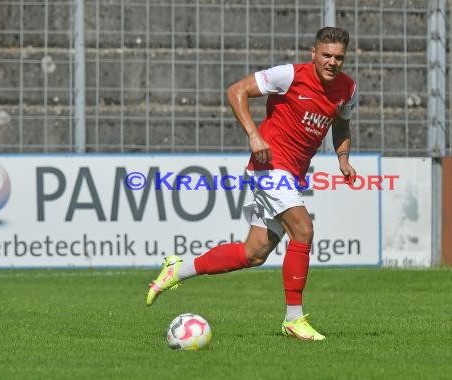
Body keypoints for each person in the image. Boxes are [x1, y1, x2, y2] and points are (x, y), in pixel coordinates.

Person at [146, 26, 358, 341]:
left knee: (254, 252)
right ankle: (293, 319)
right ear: (313, 53)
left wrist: (343, 158)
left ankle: (178, 269)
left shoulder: (347, 89)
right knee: (303, 230)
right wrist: (254, 134)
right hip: (270, 168)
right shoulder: (289, 75)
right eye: (326, 55)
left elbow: (341, 124)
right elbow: (236, 91)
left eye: (338, 57)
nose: (332, 62)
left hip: (291, 173)